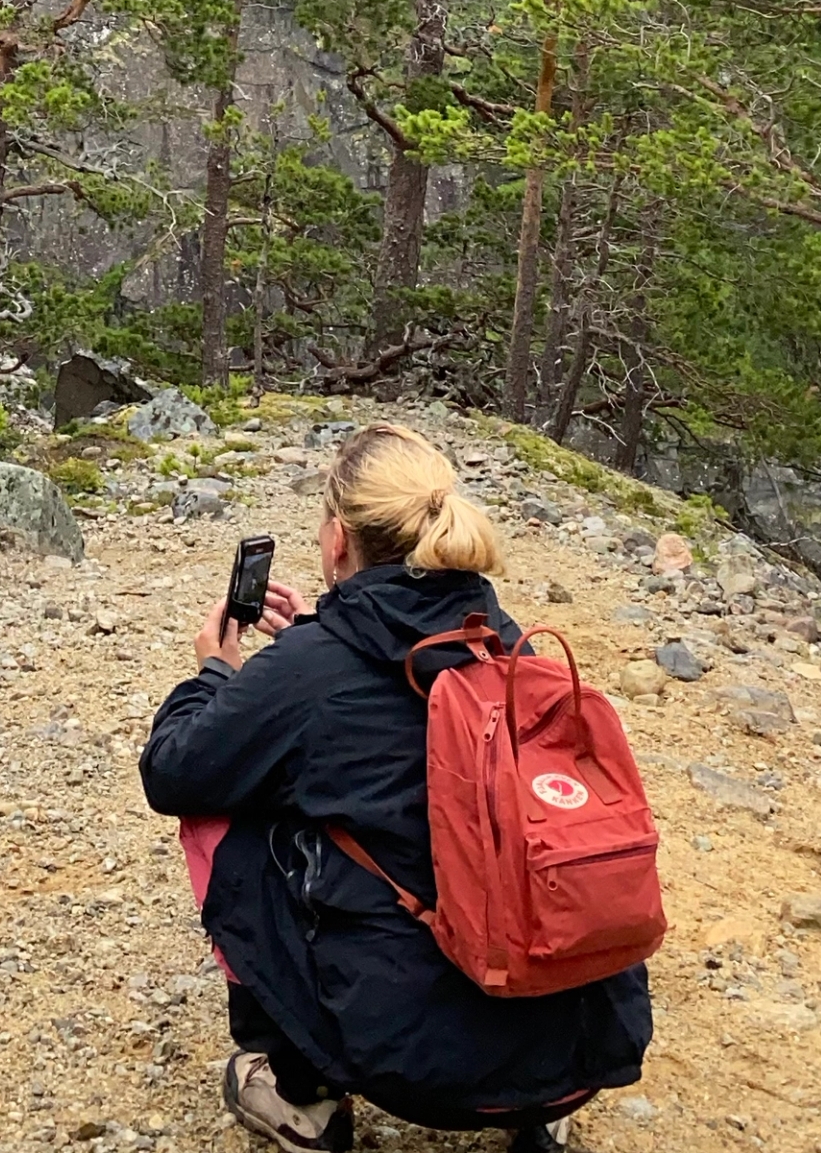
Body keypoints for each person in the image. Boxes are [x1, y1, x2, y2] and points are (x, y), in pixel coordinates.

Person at [139, 423, 651, 1152]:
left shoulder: (311, 672)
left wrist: (217, 675)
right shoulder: (510, 645)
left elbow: (172, 771)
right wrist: (312, 641)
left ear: (338, 538)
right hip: (581, 1050)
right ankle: (537, 1103)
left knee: (225, 816)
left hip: (415, 1069)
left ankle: (303, 1098)